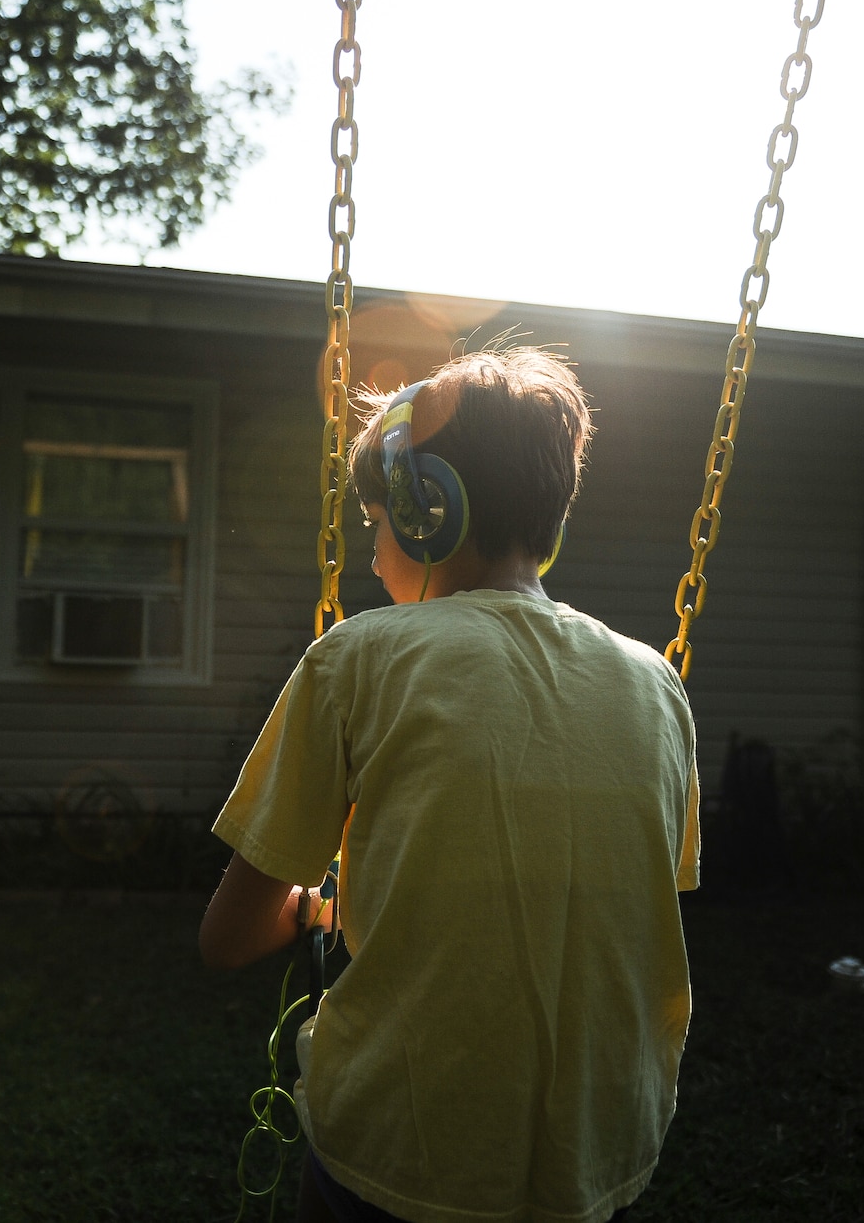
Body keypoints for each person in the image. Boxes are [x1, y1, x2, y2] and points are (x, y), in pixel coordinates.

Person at [199, 345, 700, 1223]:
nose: (371, 547)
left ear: (428, 510)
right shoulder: (656, 683)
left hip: (400, 1153)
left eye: (375, 519)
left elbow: (229, 936)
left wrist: (310, 909)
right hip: (600, 1150)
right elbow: (618, 888)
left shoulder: (357, 657)